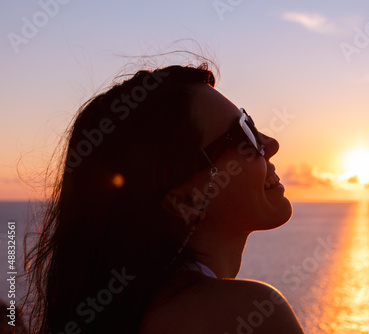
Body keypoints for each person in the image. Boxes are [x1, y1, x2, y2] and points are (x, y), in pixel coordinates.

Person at [24, 63, 305, 333]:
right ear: (186, 201)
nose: (270, 144)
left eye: (251, 123)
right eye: (244, 133)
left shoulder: (119, 313)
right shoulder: (252, 314)